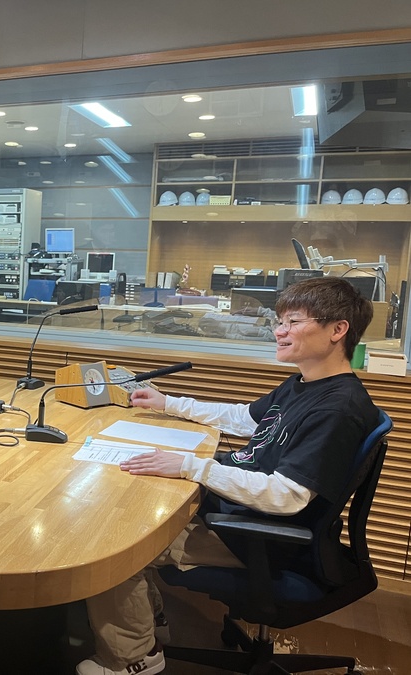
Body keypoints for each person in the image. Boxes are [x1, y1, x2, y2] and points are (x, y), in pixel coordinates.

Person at [77, 276, 380, 675]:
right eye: (280, 321)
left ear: (338, 330)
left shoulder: (337, 410)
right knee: (134, 510)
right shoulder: (306, 384)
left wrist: (191, 466)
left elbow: (286, 496)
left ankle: (133, 659)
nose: (279, 331)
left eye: (293, 322)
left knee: (113, 549)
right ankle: (150, 625)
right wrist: (169, 403)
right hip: (234, 511)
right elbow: (245, 418)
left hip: (256, 536)